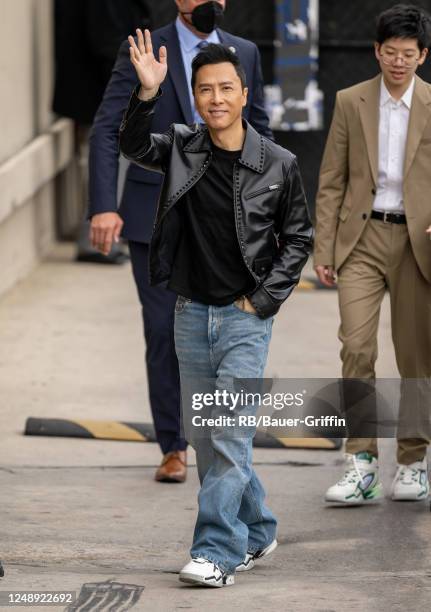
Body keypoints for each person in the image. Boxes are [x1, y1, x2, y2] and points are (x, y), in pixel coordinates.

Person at [119, 32, 312, 586]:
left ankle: (217, 552)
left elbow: (297, 238)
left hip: (244, 317)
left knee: (227, 435)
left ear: (244, 93)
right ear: (197, 98)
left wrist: (265, 299)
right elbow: (132, 146)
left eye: (226, 87)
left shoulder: (278, 164)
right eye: (206, 90)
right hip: (190, 313)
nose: (216, 98)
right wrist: (147, 94)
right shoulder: (183, 146)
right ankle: (259, 528)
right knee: (209, 437)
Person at [89, 0, 273, 483]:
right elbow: (110, 129)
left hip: (225, 222)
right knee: (161, 333)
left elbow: (259, 127)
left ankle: (218, 442)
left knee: (224, 336)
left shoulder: (244, 52)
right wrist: (104, 204)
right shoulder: (147, 47)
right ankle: (173, 445)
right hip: (152, 214)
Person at [314, 3, 431, 505]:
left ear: (422, 55)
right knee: (356, 348)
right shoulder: (351, 101)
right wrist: (324, 248)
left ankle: (413, 460)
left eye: (408, 54)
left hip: (416, 243)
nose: (398, 62)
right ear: (376, 51)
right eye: (390, 52)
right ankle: (360, 463)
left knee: (415, 356)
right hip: (359, 240)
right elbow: (331, 180)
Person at [53, 0, 150, 263]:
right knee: (105, 160)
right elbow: (106, 39)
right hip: (101, 90)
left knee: (102, 160)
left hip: (95, 88)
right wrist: (128, 88)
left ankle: (102, 240)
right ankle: (96, 244)